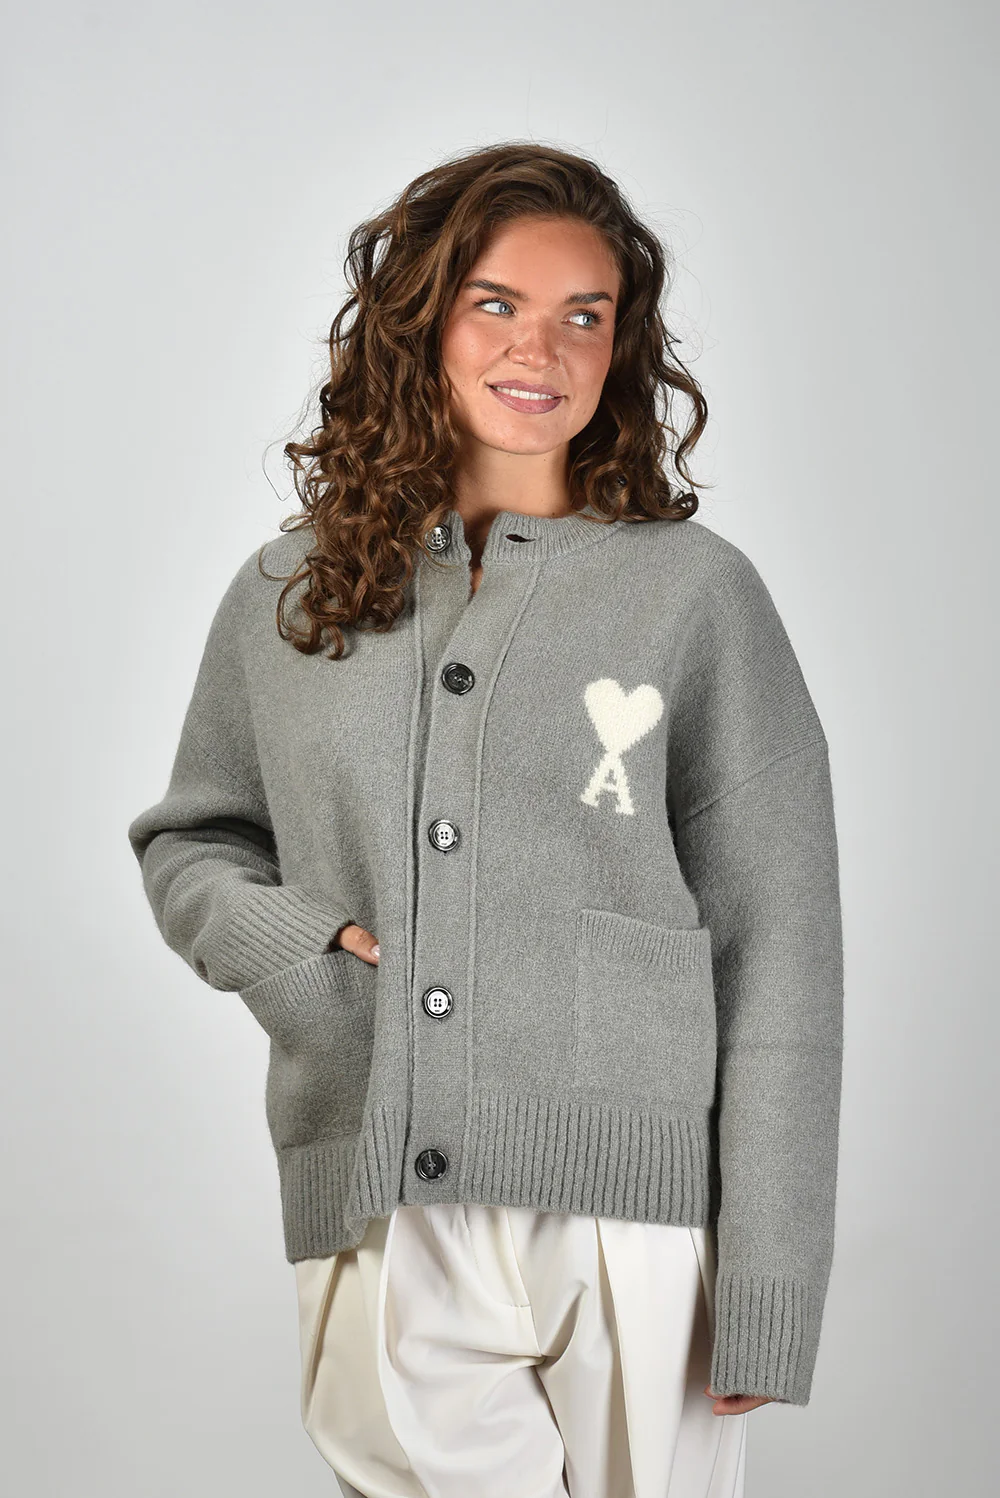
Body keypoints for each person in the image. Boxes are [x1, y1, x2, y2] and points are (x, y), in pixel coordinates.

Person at [127, 141, 843, 1498]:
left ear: (622, 347)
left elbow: (782, 941)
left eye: (586, 314)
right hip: (383, 1194)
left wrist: (771, 1271)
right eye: (498, 303)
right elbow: (195, 838)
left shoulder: (694, 595)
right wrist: (301, 955)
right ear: (422, 321)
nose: (543, 348)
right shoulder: (293, 591)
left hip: (639, 1218)